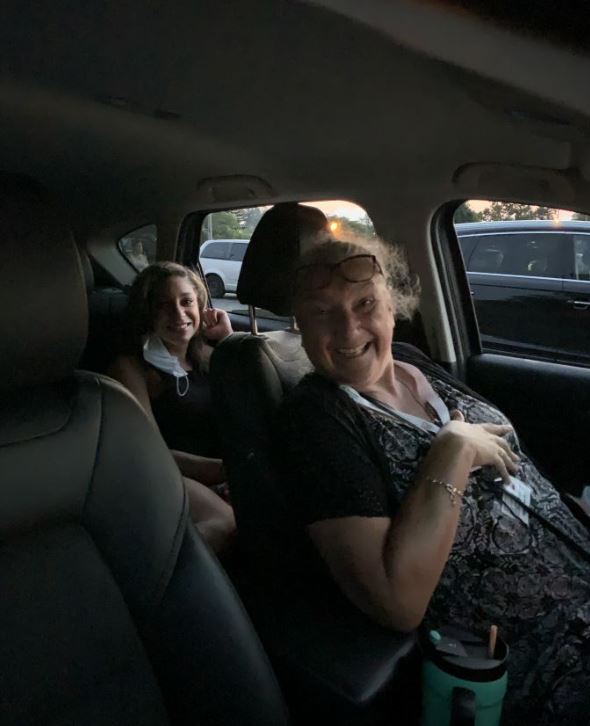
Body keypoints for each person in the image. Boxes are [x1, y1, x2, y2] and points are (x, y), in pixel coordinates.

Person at [275, 237, 590, 725]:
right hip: (550, 664)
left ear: (392, 306)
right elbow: (397, 600)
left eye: (365, 304)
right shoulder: (318, 417)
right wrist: (454, 450)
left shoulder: (410, 361)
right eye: (322, 313)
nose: (349, 328)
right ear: (300, 324)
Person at [109, 261, 235, 554]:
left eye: (186, 301)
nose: (178, 314)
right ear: (147, 313)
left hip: (221, 470)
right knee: (226, 523)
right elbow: (149, 452)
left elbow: (246, 405)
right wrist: (225, 470)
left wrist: (228, 340)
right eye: (164, 305)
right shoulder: (130, 368)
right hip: (166, 472)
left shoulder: (206, 354)